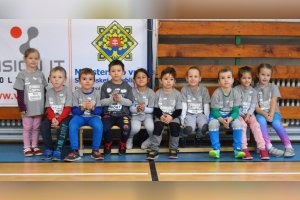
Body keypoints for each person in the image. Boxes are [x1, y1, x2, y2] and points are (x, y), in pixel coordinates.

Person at [255, 63, 295, 157]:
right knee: (261, 122)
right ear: (258, 75)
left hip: (274, 113)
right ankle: (269, 147)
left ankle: (288, 146)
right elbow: (256, 107)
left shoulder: (273, 87)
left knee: (277, 124)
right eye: (263, 74)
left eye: (268, 75)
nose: (265, 77)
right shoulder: (254, 89)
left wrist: (271, 115)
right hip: (261, 113)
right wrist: (265, 115)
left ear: (270, 76)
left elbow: (273, 102)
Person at [13, 48, 48, 157]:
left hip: (38, 107)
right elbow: (19, 92)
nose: (33, 60)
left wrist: (45, 106)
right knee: (27, 127)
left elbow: (45, 91)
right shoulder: (22, 75)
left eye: (36, 58)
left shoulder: (40, 74)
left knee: (36, 128)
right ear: (25, 59)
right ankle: (27, 147)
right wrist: (22, 107)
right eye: (30, 58)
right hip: (27, 108)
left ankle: (35, 146)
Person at [64, 68, 103, 161]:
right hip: (80, 117)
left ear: (94, 81)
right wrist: (82, 108)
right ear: (79, 81)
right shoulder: (76, 93)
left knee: (99, 125)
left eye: (90, 79)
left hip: (93, 117)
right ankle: (74, 151)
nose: (87, 81)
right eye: (84, 79)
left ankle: (95, 150)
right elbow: (74, 110)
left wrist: (93, 108)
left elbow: (100, 110)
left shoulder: (97, 93)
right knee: (72, 125)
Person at [208, 68, 245, 159]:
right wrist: (221, 120)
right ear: (219, 81)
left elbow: (236, 111)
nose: (226, 80)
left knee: (237, 123)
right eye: (222, 78)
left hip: (230, 116)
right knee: (213, 123)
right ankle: (216, 149)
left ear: (232, 80)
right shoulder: (216, 93)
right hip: (217, 116)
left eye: (228, 77)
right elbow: (214, 111)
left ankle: (237, 149)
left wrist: (230, 119)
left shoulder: (236, 93)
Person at [146, 67, 182, 160]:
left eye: (171, 79)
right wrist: (161, 116)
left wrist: (171, 117)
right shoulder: (157, 93)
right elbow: (156, 108)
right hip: (161, 116)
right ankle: (154, 150)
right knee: (157, 127)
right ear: (161, 80)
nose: (168, 81)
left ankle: (173, 149)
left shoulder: (177, 94)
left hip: (173, 117)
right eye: (166, 79)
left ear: (174, 81)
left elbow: (179, 110)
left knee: (175, 127)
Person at [234, 66, 269, 160]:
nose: (246, 80)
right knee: (242, 125)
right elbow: (235, 106)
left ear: (252, 79)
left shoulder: (253, 91)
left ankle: (262, 148)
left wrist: (249, 114)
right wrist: (243, 115)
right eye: (244, 78)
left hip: (250, 114)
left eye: (249, 78)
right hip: (238, 114)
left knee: (256, 125)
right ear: (239, 79)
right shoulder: (236, 90)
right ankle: (244, 149)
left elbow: (253, 104)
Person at [100, 60, 134, 156]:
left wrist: (120, 99)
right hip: (108, 114)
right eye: (113, 71)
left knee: (126, 127)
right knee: (104, 127)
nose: (116, 73)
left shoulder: (127, 86)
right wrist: (112, 100)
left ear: (123, 72)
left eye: (119, 70)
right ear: (109, 72)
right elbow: (102, 102)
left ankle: (122, 144)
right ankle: (108, 144)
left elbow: (130, 102)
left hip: (123, 114)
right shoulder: (105, 85)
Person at [40, 66, 72, 161]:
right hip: (53, 117)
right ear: (50, 78)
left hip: (65, 116)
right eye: (54, 77)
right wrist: (53, 118)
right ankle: (49, 148)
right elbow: (48, 107)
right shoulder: (49, 92)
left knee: (64, 126)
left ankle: (58, 149)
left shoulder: (67, 91)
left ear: (64, 79)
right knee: (43, 125)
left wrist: (59, 119)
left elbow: (67, 108)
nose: (56, 80)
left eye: (59, 77)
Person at [180, 66, 210, 147]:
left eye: (195, 76)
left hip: (200, 114)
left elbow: (206, 106)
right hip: (189, 114)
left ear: (200, 78)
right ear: (186, 78)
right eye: (190, 76)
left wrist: (207, 119)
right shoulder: (184, 89)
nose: (193, 78)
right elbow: (184, 106)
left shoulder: (204, 90)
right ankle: (182, 137)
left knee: (204, 126)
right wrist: (182, 119)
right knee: (190, 128)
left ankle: (199, 137)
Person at [126, 68, 155, 150]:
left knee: (151, 128)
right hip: (135, 115)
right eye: (138, 77)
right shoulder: (131, 91)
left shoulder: (151, 92)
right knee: (135, 128)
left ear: (148, 79)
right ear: (134, 80)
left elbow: (152, 109)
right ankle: (130, 139)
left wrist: (144, 109)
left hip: (147, 115)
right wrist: (136, 109)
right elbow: (130, 108)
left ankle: (150, 140)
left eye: (143, 77)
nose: (141, 79)